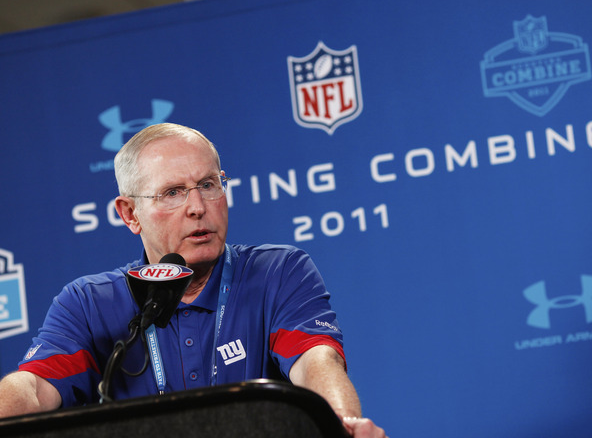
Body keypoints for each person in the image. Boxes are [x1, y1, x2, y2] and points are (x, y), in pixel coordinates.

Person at [0, 123, 386, 437]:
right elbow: (34, 387)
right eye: (172, 193)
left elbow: (316, 360)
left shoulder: (278, 272)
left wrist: (343, 427)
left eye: (208, 184)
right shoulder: (88, 303)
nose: (198, 207)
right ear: (130, 213)